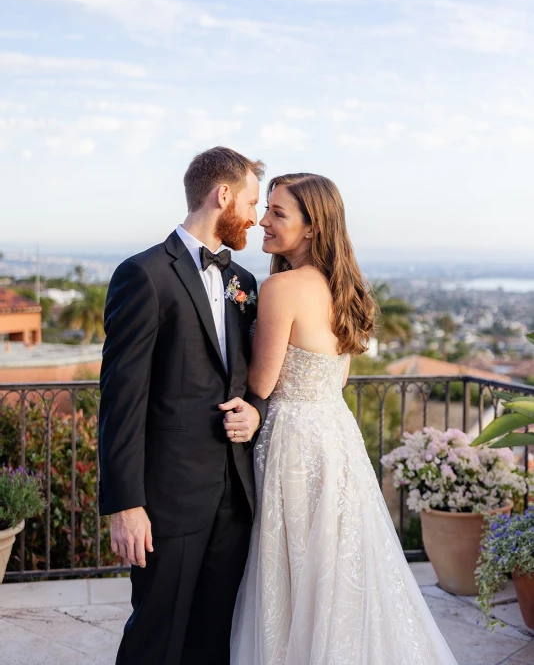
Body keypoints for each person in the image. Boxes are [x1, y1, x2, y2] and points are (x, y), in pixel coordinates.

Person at [231, 173, 458, 665]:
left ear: (313, 227)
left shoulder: (280, 287)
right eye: (266, 209)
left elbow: (262, 384)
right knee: (338, 566)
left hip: (291, 438)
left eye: (277, 213)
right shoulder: (347, 288)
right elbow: (335, 381)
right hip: (335, 433)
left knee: (291, 566)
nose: (264, 221)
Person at [98, 146, 268, 665]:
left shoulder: (245, 282)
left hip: (234, 497)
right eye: (252, 202)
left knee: (212, 636)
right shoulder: (144, 275)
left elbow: (251, 377)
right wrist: (125, 505)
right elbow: (121, 399)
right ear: (223, 196)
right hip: (167, 500)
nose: (257, 218)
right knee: (155, 635)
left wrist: (255, 408)